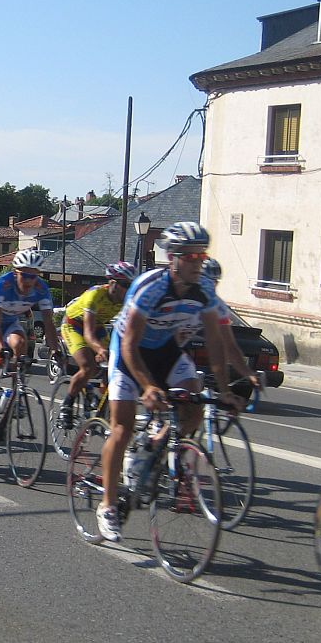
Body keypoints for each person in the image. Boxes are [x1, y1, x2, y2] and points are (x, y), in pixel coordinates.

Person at [96, 222, 242, 543]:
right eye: (190, 256)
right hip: (129, 352)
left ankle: (154, 445)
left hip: (165, 350)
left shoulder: (204, 289)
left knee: (194, 407)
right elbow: (130, 344)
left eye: (201, 256)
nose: (197, 263)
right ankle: (107, 505)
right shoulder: (150, 287)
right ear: (173, 258)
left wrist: (225, 389)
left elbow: (216, 343)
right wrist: (148, 386)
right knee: (121, 428)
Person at [0, 249, 60, 461]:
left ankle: (16, 393)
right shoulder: (3, 285)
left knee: (20, 344)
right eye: (25, 275)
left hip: (9, 323)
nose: (29, 281)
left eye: (34, 276)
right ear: (16, 272)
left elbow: (48, 323)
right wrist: (0, 349)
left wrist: (55, 350)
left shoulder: (41, 288)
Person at [57, 261, 136, 429]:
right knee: (88, 366)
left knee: (114, 367)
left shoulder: (127, 301)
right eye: (125, 285)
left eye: (131, 285)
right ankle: (67, 405)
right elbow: (88, 334)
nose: (129, 289)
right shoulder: (95, 295)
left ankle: (100, 407)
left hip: (98, 326)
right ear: (113, 283)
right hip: (74, 325)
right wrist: (100, 349)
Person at [197, 258, 260, 391]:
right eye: (206, 281)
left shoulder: (218, 306)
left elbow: (229, 345)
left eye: (215, 281)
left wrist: (248, 373)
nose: (211, 285)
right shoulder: (181, 295)